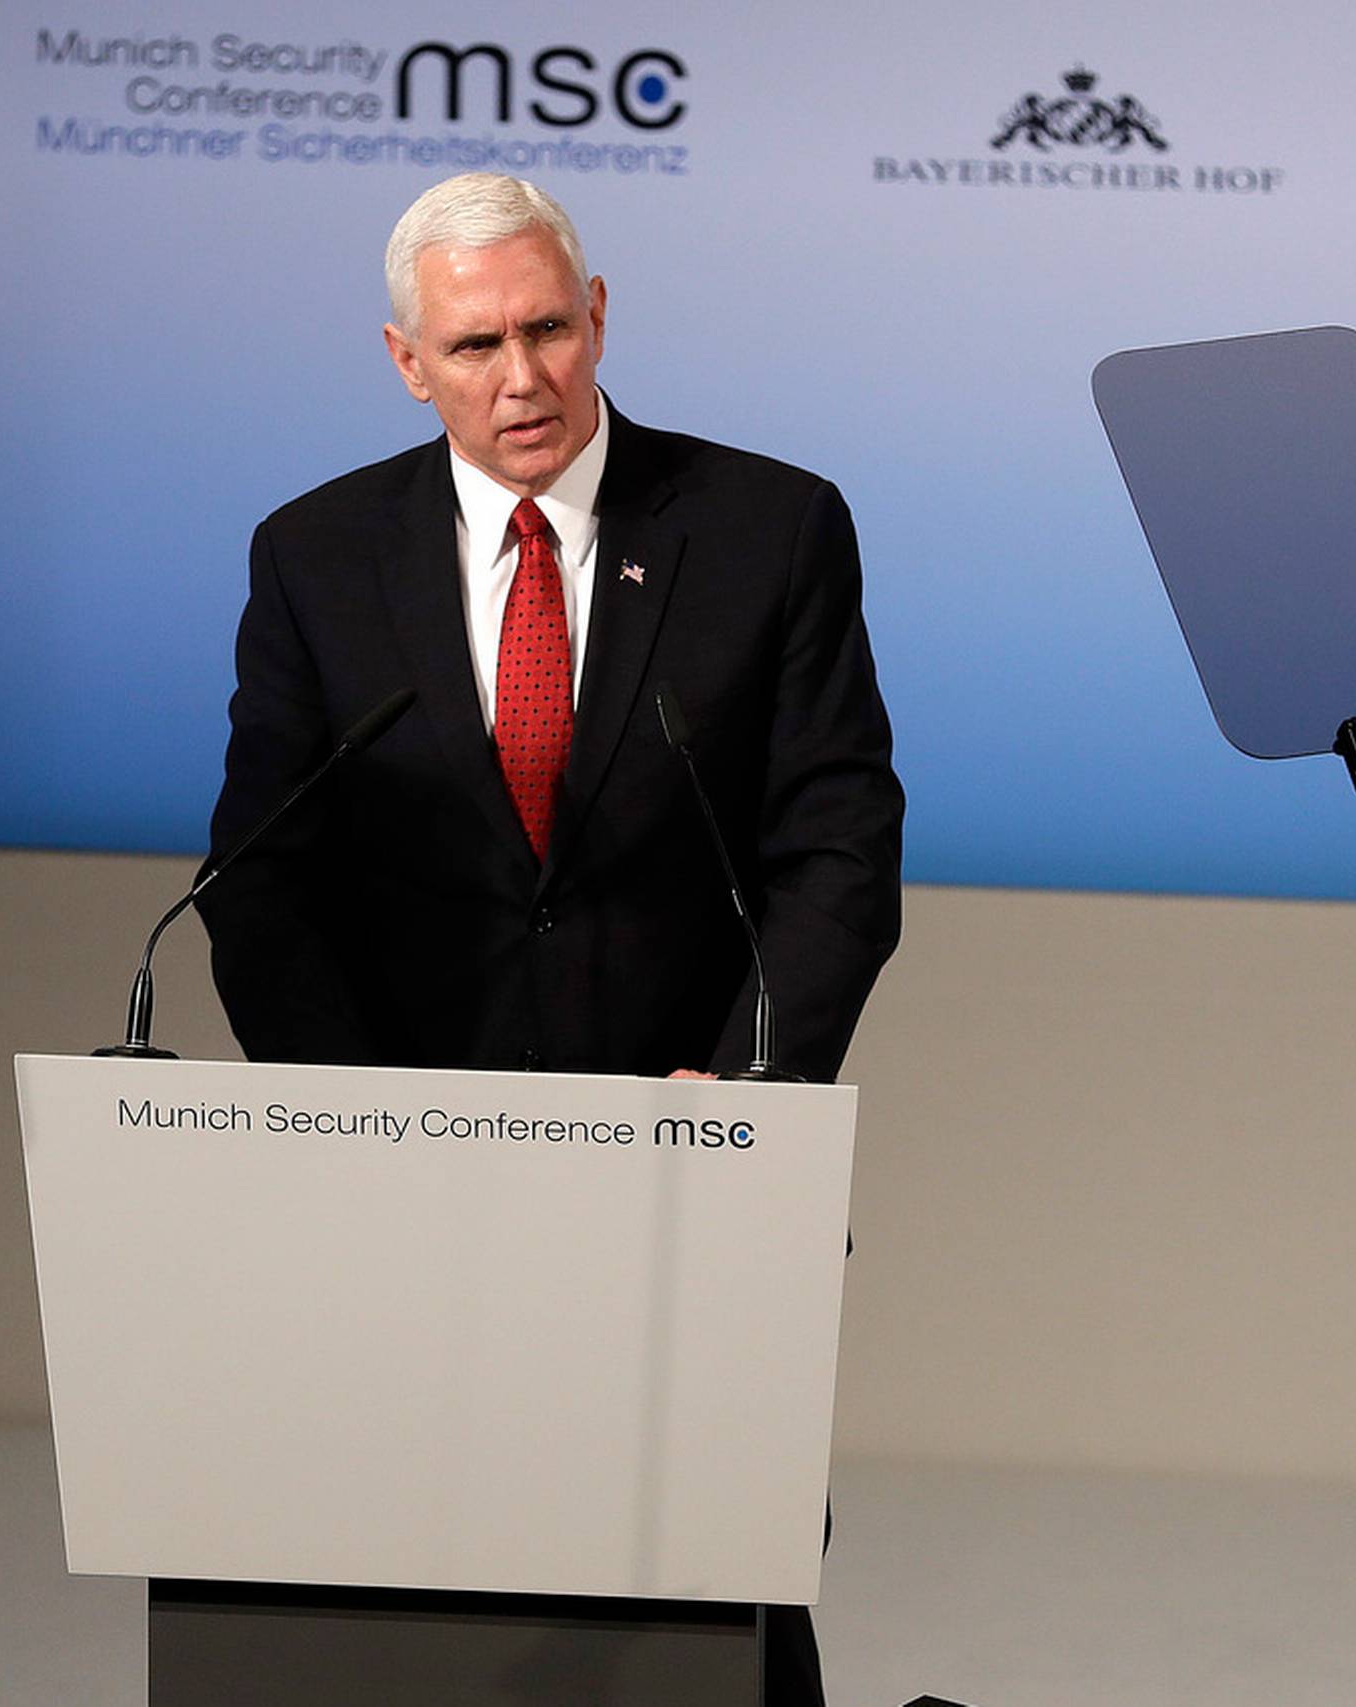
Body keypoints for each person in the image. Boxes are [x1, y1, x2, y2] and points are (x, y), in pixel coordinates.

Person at [196, 171, 902, 1701]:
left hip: (690, 1151)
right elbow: (262, 874)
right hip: (411, 1166)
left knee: (711, 1590)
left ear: (598, 318)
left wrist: (750, 1094)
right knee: (429, 1584)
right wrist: (363, 1115)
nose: (521, 379)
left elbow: (838, 845)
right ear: (404, 359)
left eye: (546, 331)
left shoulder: (767, 527)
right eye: (473, 349)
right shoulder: (315, 558)